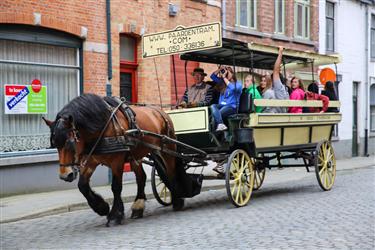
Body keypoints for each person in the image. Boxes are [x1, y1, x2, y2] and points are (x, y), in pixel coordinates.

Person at [210, 66, 242, 131]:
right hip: (222, 105)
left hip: (232, 107)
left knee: (217, 114)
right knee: (213, 106)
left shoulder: (238, 84)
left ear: (232, 74)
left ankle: (217, 133)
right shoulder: (222, 83)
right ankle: (221, 125)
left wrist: (224, 77)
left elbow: (232, 88)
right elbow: (212, 76)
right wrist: (220, 70)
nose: (226, 74)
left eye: (228, 73)